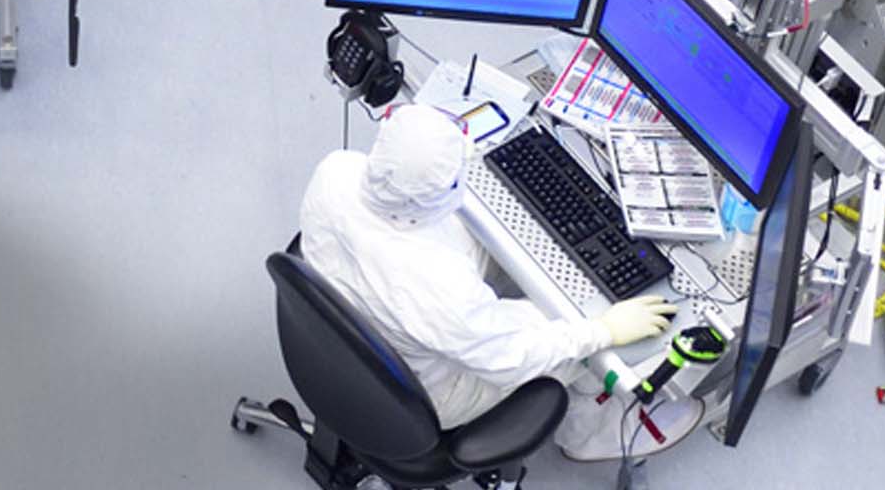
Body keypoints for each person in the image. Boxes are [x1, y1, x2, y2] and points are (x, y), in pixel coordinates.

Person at [299, 104, 705, 462]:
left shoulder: (336, 170)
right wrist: (603, 329)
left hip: (355, 326)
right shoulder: (439, 291)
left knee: (493, 245)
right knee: (575, 322)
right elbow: (511, 358)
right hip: (432, 396)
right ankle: (588, 428)